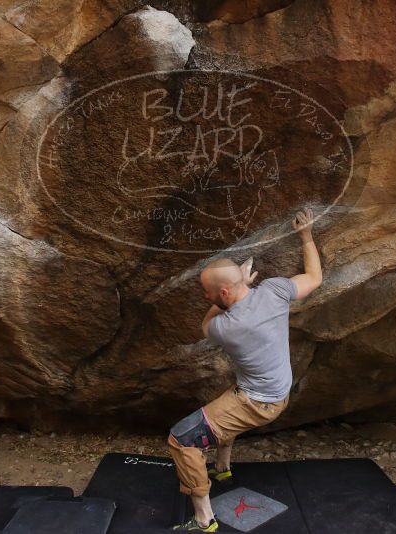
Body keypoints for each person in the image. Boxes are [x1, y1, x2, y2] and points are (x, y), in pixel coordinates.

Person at [167, 207, 323, 531]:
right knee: (223, 408)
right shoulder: (276, 291)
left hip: (256, 402)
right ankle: (222, 468)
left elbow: (205, 322)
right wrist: (306, 235)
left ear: (223, 294)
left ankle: (203, 519)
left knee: (181, 439)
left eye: (207, 292)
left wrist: (231, 289)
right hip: (277, 393)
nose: (205, 296)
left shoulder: (226, 326)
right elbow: (315, 278)